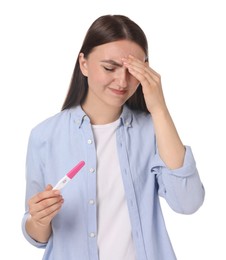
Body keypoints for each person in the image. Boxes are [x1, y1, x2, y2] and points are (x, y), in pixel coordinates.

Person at [21, 14, 205, 260]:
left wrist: (159, 108)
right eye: (109, 67)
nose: (122, 81)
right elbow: (37, 235)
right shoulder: (44, 137)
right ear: (84, 64)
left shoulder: (154, 130)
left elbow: (188, 202)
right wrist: (39, 219)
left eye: (133, 70)